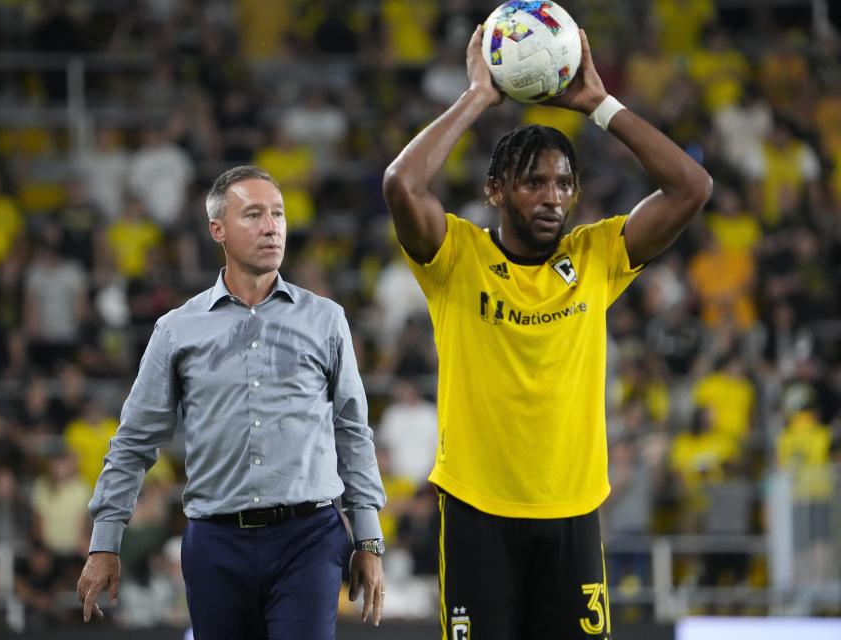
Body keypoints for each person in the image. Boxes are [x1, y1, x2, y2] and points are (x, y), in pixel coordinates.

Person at [382, 26, 712, 639]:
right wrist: (479, 95)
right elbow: (402, 183)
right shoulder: (455, 257)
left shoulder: (596, 257)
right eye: (533, 181)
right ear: (496, 190)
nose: (551, 197)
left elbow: (692, 186)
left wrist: (598, 105)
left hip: (574, 513)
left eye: (563, 183)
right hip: (477, 511)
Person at [77, 166, 387, 638]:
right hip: (215, 542)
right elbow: (135, 441)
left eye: (278, 214)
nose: (272, 226)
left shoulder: (327, 320)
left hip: (309, 538)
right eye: (255, 214)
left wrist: (368, 538)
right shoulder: (176, 330)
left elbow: (353, 431)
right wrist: (106, 542)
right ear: (217, 230)